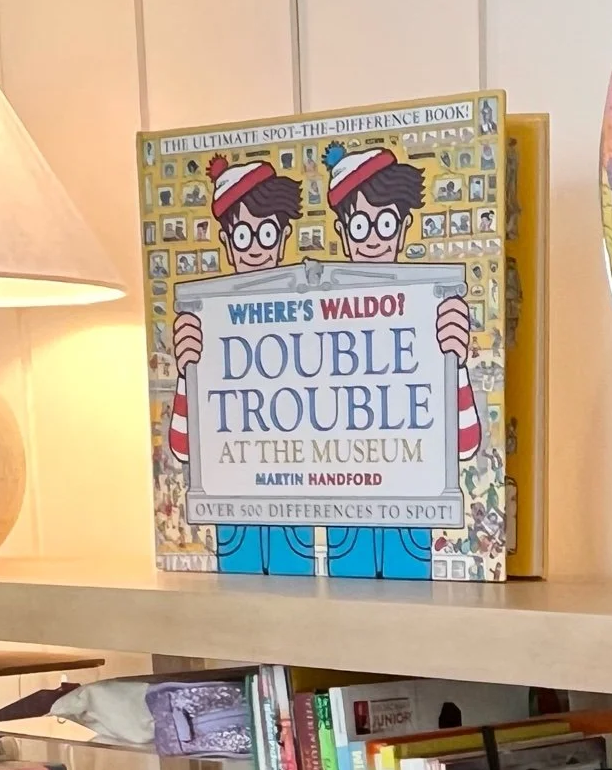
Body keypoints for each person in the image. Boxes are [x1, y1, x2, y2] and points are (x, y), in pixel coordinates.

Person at [317, 140, 483, 580]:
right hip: (344, 517)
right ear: (341, 232)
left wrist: (456, 362)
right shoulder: (319, 323)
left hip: (411, 513)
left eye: (385, 223)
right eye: (359, 226)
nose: (372, 239)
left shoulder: (429, 308)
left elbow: (465, 443)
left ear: (404, 227)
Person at [165, 155, 316, 575]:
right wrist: (186, 372)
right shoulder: (207, 318)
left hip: (297, 490)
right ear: (227, 241)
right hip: (234, 494)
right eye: (243, 234)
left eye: (265, 233)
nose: (253, 247)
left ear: (283, 238)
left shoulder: (308, 317)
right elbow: (183, 447)